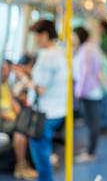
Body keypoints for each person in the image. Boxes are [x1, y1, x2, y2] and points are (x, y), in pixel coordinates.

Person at [12, 20, 68, 181]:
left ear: (44, 35)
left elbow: (40, 90)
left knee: (42, 160)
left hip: (44, 114)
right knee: (45, 154)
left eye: (36, 37)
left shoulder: (46, 57)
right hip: (58, 111)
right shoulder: (60, 52)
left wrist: (23, 78)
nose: (35, 41)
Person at [1, 61, 38, 179]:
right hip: (4, 121)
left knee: (29, 124)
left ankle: (33, 161)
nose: (7, 74)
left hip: (11, 118)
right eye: (5, 71)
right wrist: (14, 118)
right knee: (21, 132)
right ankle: (21, 166)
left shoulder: (5, 84)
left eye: (8, 71)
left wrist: (19, 114)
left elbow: (12, 102)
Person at [72, 27, 104, 163]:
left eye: (73, 36)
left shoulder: (85, 50)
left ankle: (91, 153)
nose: (72, 39)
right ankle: (90, 150)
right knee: (92, 122)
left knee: (92, 123)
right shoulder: (91, 48)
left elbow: (85, 73)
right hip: (93, 90)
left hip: (88, 91)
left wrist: (79, 90)